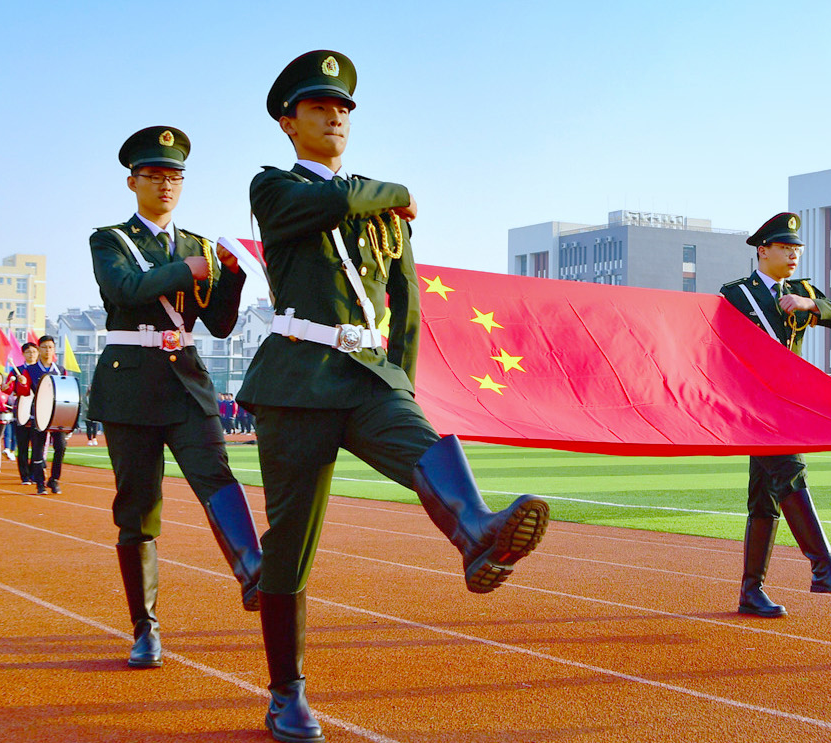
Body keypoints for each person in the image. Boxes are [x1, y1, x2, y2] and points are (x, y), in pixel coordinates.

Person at [237, 51, 553, 742]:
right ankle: (286, 692)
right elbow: (332, 202)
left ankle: (478, 534)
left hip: (368, 374)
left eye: (343, 108)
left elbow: (406, 303)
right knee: (290, 545)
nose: (334, 116)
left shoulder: (384, 212)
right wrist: (399, 189)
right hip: (296, 380)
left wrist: (401, 379)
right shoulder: (274, 187)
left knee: (422, 443)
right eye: (319, 107)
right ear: (288, 123)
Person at [87, 125, 266, 668]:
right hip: (130, 385)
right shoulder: (111, 240)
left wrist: (230, 277)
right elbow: (124, 290)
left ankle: (253, 571)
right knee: (138, 509)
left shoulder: (199, 246)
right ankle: (145, 628)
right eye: (154, 175)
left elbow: (220, 325)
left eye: (175, 177)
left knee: (216, 474)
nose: (166, 185)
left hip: (187, 382)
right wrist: (184, 270)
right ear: (133, 181)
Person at [719, 212, 831, 618]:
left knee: (763, 498)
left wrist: (811, 305)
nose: (793, 255)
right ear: (762, 250)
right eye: (785, 248)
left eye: (796, 249)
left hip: (786, 405)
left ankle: (751, 592)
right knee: (790, 472)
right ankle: (823, 568)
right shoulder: (735, 294)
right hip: (754, 406)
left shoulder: (801, 291)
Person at [15, 336, 70, 494]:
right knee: (37, 449)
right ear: (39, 349)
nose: (47, 350)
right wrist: (22, 383)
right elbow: (24, 392)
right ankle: (40, 482)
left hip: (57, 415)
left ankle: (54, 479)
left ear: (54, 350)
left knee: (61, 446)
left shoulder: (60, 370)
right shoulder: (31, 370)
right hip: (39, 415)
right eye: (44, 347)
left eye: (50, 347)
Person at [11, 343, 39, 483]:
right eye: (28, 352)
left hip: (37, 411)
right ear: (23, 354)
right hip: (21, 410)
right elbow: (9, 388)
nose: (31, 354)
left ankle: (34, 473)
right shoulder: (17, 370)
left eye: (34, 352)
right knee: (22, 445)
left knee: (37, 445)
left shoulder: (39, 370)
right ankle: (24, 475)